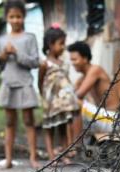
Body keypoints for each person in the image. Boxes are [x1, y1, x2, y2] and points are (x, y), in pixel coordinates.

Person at [0, 0, 40, 169]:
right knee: (9, 122)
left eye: (18, 16)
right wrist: (3, 57)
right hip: (8, 83)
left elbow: (35, 62)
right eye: (12, 17)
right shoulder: (1, 40)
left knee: (29, 121)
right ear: (7, 18)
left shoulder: (30, 38)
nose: (15, 20)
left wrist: (16, 53)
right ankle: (8, 159)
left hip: (25, 83)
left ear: (24, 17)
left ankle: (33, 158)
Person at [39, 25, 81, 161]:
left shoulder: (63, 63)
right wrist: (43, 98)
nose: (63, 47)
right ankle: (51, 157)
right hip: (51, 102)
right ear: (50, 44)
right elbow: (40, 82)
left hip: (62, 102)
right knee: (49, 128)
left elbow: (66, 81)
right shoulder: (45, 64)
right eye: (61, 43)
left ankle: (63, 154)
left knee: (63, 126)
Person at [68, 41, 119, 136]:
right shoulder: (82, 78)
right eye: (71, 60)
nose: (72, 63)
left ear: (85, 59)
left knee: (76, 103)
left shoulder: (95, 70)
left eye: (74, 59)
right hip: (102, 118)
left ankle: (75, 144)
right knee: (68, 108)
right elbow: (70, 96)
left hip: (113, 120)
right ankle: (70, 143)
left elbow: (78, 96)